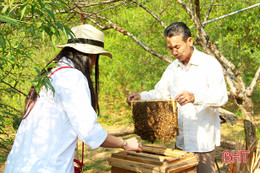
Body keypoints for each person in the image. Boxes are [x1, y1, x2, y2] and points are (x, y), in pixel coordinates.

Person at [5, 24, 142, 173]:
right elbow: (89, 131)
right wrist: (124, 143)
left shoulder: (52, 73)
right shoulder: (72, 77)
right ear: (90, 56)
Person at [127, 22, 228, 173]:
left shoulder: (209, 64)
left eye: (177, 47)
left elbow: (221, 97)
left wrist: (195, 97)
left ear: (190, 41)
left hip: (202, 144)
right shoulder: (172, 69)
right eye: (170, 48)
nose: (174, 52)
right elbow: (160, 92)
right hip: (180, 143)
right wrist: (140, 96)